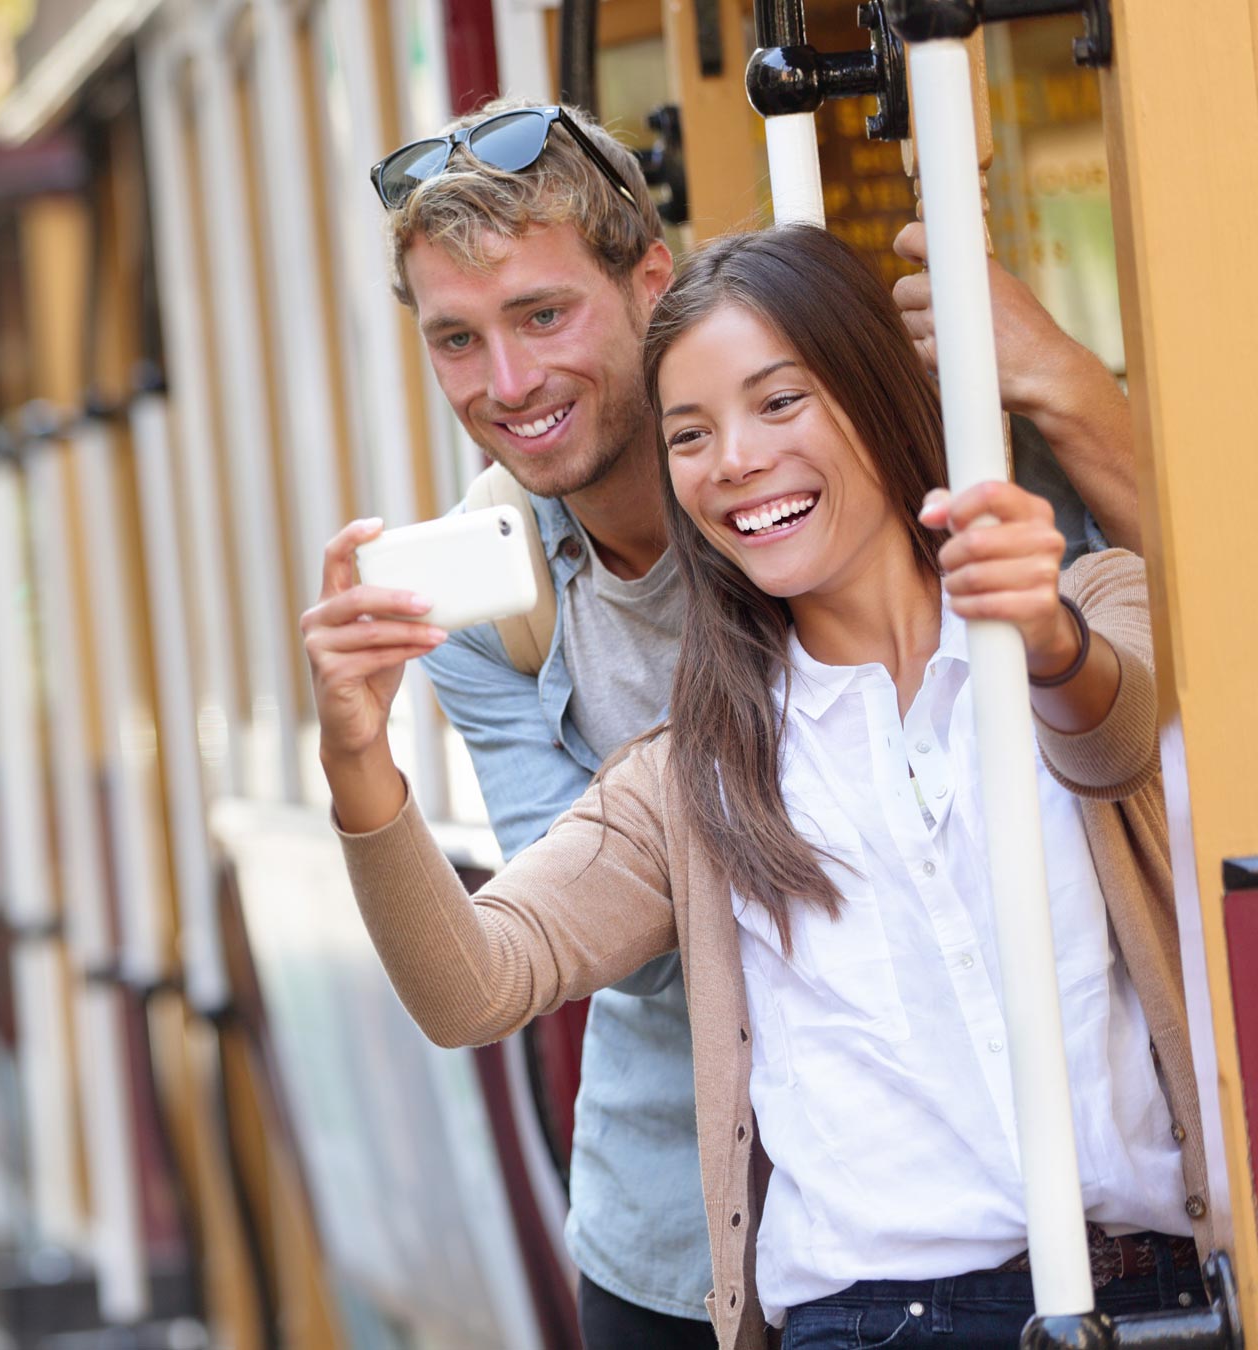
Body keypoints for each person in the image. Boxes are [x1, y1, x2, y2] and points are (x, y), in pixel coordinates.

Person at [313, 97, 1141, 1348]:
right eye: (456, 341)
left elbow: (1138, 709)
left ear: (653, 280)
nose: (510, 381)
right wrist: (359, 761)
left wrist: (1066, 390)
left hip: (1076, 1236)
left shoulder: (961, 523)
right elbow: (585, 948)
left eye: (542, 315)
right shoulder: (506, 617)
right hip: (699, 1240)